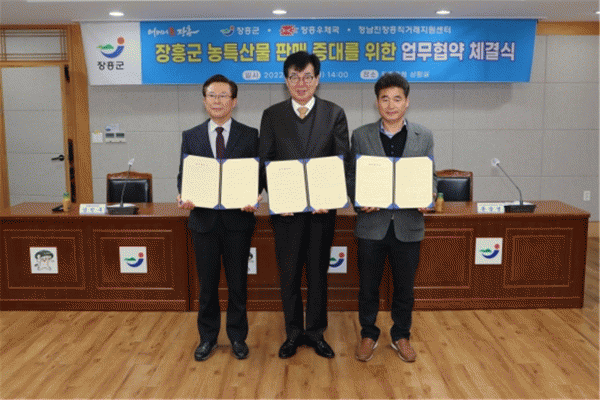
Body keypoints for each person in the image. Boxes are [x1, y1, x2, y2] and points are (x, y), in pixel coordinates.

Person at [259, 51, 351, 359]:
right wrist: (277, 196)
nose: (301, 83)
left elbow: (342, 160)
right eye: (294, 77)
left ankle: (315, 332)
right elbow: (266, 161)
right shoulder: (272, 115)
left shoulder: (334, 113)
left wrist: (330, 196)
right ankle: (293, 333)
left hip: (322, 212)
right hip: (286, 213)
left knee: (317, 274)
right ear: (286, 81)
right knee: (288, 275)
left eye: (307, 76)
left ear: (318, 79)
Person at [348, 72, 436, 363]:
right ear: (377, 102)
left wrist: (429, 195)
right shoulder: (361, 135)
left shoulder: (424, 136)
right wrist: (359, 200)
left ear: (407, 102)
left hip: (408, 225)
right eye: (384, 99)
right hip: (372, 225)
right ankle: (368, 334)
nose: (391, 104)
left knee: (404, 289)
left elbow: (431, 175)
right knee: (368, 288)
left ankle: (401, 335)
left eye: (397, 98)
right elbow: (352, 177)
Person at [177, 74, 260, 362]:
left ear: (234, 102)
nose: (217, 100)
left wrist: (256, 195)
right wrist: (183, 194)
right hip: (203, 222)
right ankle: (208, 338)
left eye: (223, 96)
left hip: (238, 221)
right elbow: (184, 175)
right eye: (212, 95)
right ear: (204, 100)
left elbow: (257, 174)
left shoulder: (250, 135)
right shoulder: (191, 135)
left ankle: (237, 337)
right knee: (207, 286)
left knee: (238, 285)